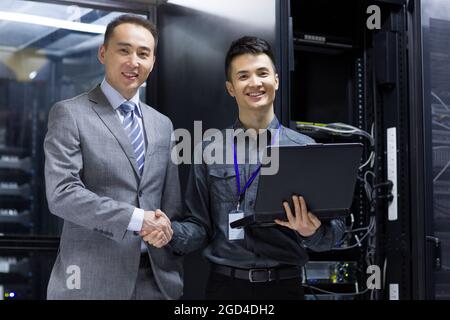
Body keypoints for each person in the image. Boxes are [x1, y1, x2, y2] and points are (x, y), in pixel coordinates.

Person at [142, 36, 346, 300]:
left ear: (276, 80)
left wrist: (311, 231)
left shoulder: (304, 148)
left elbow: (336, 231)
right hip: (225, 287)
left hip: (285, 286)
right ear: (231, 87)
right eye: (243, 76)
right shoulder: (208, 149)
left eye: (262, 73)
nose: (254, 83)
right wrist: (169, 232)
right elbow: (199, 226)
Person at [44, 14, 182, 300]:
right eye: (124, 50)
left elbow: (170, 206)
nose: (134, 61)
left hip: (155, 283)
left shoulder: (163, 125)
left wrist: (165, 230)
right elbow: (62, 194)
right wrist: (136, 218)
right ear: (103, 53)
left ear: (153, 62)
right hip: (91, 281)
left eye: (143, 54)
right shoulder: (70, 113)